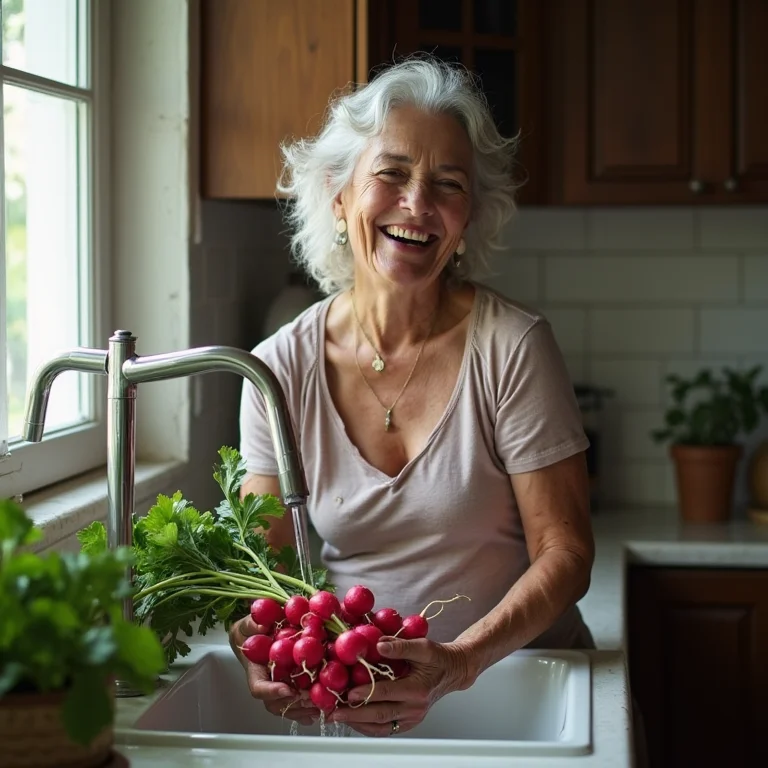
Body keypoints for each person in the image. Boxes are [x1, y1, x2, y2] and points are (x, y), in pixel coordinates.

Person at [229, 56, 596, 738]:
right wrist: (255, 640)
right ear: (339, 194)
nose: (418, 205)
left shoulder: (513, 347)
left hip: (520, 686)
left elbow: (566, 552)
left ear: (468, 217)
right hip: (360, 692)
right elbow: (262, 563)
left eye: (447, 184)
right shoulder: (279, 368)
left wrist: (460, 661)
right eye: (391, 173)